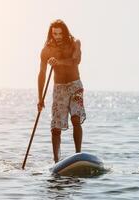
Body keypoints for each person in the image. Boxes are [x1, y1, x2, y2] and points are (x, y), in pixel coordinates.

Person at [37, 19, 86, 163]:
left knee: (76, 119)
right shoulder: (46, 50)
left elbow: (76, 60)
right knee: (55, 127)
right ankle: (56, 161)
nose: (57, 36)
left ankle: (78, 155)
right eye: (54, 34)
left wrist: (59, 62)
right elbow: (42, 73)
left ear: (65, 32)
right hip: (59, 88)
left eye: (59, 33)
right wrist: (40, 98)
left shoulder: (74, 43)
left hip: (75, 86)